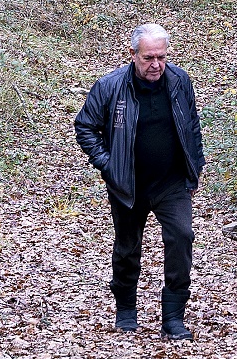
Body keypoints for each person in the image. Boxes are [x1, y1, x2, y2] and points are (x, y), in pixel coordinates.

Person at [73, 22, 205, 339]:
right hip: (128, 183)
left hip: (171, 182)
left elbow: (192, 126)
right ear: (133, 55)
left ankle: (173, 316)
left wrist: (194, 167)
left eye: (161, 57)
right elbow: (85, 127)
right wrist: (109, 165)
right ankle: (126, 310)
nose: (156, 64)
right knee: (127, 248)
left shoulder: (179, 81)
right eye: (148, 58)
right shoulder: (110, 87)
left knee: (181, 237)